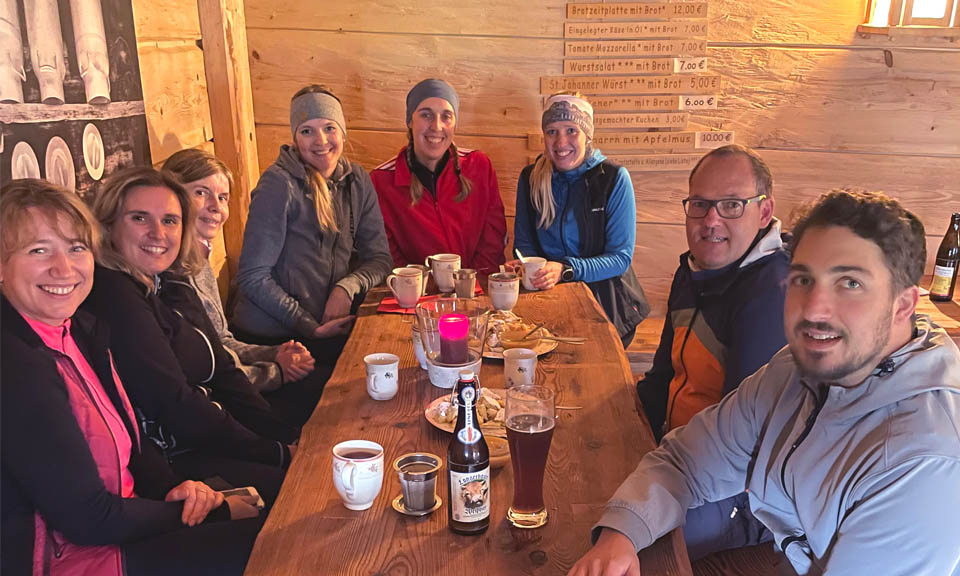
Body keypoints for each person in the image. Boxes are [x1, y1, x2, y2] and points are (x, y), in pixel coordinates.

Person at [570, 190, 960, 576]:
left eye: (850, 283)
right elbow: (686, 460)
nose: (814, 308)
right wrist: (620, 535)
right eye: (804, 279)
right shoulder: (793, 373)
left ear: (903, 305)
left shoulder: (926, 460)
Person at [1, 179, 262, 576]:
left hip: (123, 523)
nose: (64, 268)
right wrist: (186, 512)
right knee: (274, 539)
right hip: (73, 560)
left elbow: (134, 445)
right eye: (39, 250)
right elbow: (87, 519)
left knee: (268, 509)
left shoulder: (80, 331)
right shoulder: (16, 366)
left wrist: (174, 488)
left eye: (76, 248)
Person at [86, 166, 295, 505]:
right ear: (109, 227)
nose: (158, 233)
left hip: (206, 435)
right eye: (140, 218)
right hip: (167, 463)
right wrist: (277, 453)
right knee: (294, 495)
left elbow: (226, 371)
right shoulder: (115, 293)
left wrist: (283, 436)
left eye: (170, 220)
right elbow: (172, 403)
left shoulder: (172, 281)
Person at [636, 146, 788, 559]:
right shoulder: (693, 271)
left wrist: (654, 483)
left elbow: (742, 445)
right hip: (681, 456)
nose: (711, 220)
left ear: (764, 210)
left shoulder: (772, 293)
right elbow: (662, 378)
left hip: (742, 494)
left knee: (638, 543)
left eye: (731, 205)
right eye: (700, 205)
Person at [163, 148, 324, 427]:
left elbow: (222, 341)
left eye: (222, 198)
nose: (215, 207)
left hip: (239, 385)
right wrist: (276, 372)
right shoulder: (169, 278)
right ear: (172, 196)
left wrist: (274, 353)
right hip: (213, 409)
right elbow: (205, 372)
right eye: (201, 193)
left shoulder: (198, 262)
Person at [234, 84, 392, 364]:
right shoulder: (278, 184)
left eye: (329, 127)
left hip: (326, 330)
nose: (321, 140)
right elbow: (253, 276)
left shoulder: (357, 181)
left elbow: (379, 258)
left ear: (342, 130)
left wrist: (348, 286)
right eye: (307, 130)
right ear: (295, 138)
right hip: (273, 340)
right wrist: (308, 325)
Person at [512, 92, 649, 347]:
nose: (561, 142)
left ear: (587, 135)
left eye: (571, 130)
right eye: (552, 131)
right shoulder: (530, 177)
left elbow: (620, 258)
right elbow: (524, 244)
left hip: (607, 308)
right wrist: (526, 265)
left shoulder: (613, 178)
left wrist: (565, 270)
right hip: (548, 301)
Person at [371, 78, 507, 275]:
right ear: (410, 120)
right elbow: (387, 252)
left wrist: (472, 286)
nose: (436, 126)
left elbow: (493, 239)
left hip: (474, 291)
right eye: (426, 115)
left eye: (446, 116)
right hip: (416, 296)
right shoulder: (381, 181)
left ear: (455, 124)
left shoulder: (479, 166)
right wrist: (423, 287)